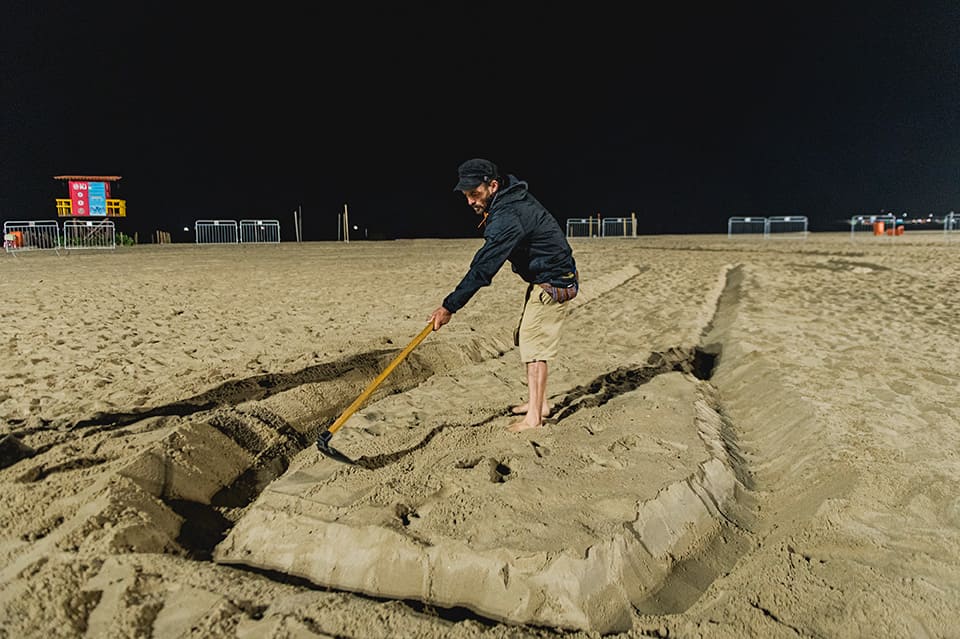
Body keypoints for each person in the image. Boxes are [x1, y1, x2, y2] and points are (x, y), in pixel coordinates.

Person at [429, 158, 579, 433]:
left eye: (474, 194)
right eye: (466, 195)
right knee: (526, 338)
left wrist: (449, 307)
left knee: (534, 348)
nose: (470, 202)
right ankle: (539, 402)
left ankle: (535, 416)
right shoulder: (508, 199)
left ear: (493, 185)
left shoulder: (509, 215)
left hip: (554, 282)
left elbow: (483, 268)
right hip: (543, 278)